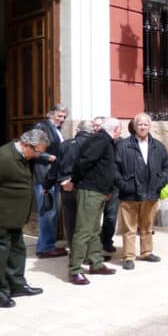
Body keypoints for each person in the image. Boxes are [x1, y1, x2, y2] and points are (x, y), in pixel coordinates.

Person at [0, 129, 49, 308]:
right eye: (38, 152)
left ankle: (17, 285)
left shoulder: (25, 157)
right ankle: (0, 293)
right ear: (27, 145)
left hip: (15, 216)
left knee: (17, 251)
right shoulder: (3, 158)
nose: (38, 156)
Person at [114, 112, 168, 270]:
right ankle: (128, 256)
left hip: (151, 192)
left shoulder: (158, 146)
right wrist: (123, 184)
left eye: (145, 124)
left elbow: (167, 166)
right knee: (129, 227)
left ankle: (146, 252)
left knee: (147, 226)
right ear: (134, 126)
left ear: (149, 126)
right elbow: (115, 168)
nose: (142, 127)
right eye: (139, 124)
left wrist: (160, 182)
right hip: (130, 193)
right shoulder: (123, 145)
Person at [69, 117, 121, 285]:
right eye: (120, 129)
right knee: (83, 230)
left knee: (94, 229)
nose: (120, 133)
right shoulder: (100, 139)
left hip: (99, 191)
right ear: (114, 129)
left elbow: (105, 168)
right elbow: (83, 162)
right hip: (90, 190)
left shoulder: (106, 141)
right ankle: (75, 269)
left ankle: (96, 263)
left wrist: (107, 189)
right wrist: (75, 180)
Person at [46, 119, 93, 247]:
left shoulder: (65, 145)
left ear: (78, 130)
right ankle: (87, 253)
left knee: (70, 220)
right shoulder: (95, 145)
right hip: (88, 188)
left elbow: (55, 167)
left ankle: (74, 251)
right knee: (87, 222)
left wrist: (47, 185)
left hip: (67, 187)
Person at [33, 104, 68, 258]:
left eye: (64, 117)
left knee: (52, 212)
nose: (62, 119)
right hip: (44, 176)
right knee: (47, 212)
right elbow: (32, 148)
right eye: (59, 116)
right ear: (50, 114)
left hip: (53, 176)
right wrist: (50, 157)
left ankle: (49, 245)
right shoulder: (41, 127)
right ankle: (45, 248)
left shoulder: (56, 129)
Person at [93, 116, 120, 253]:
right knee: (94, 219)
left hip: (113, 187)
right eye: (95, 126)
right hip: (97, 187)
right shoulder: (93, 142)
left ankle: (107, 240)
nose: (97, 128)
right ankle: (95, 245)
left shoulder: (118, 143)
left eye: (99, 125)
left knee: (110, 217)